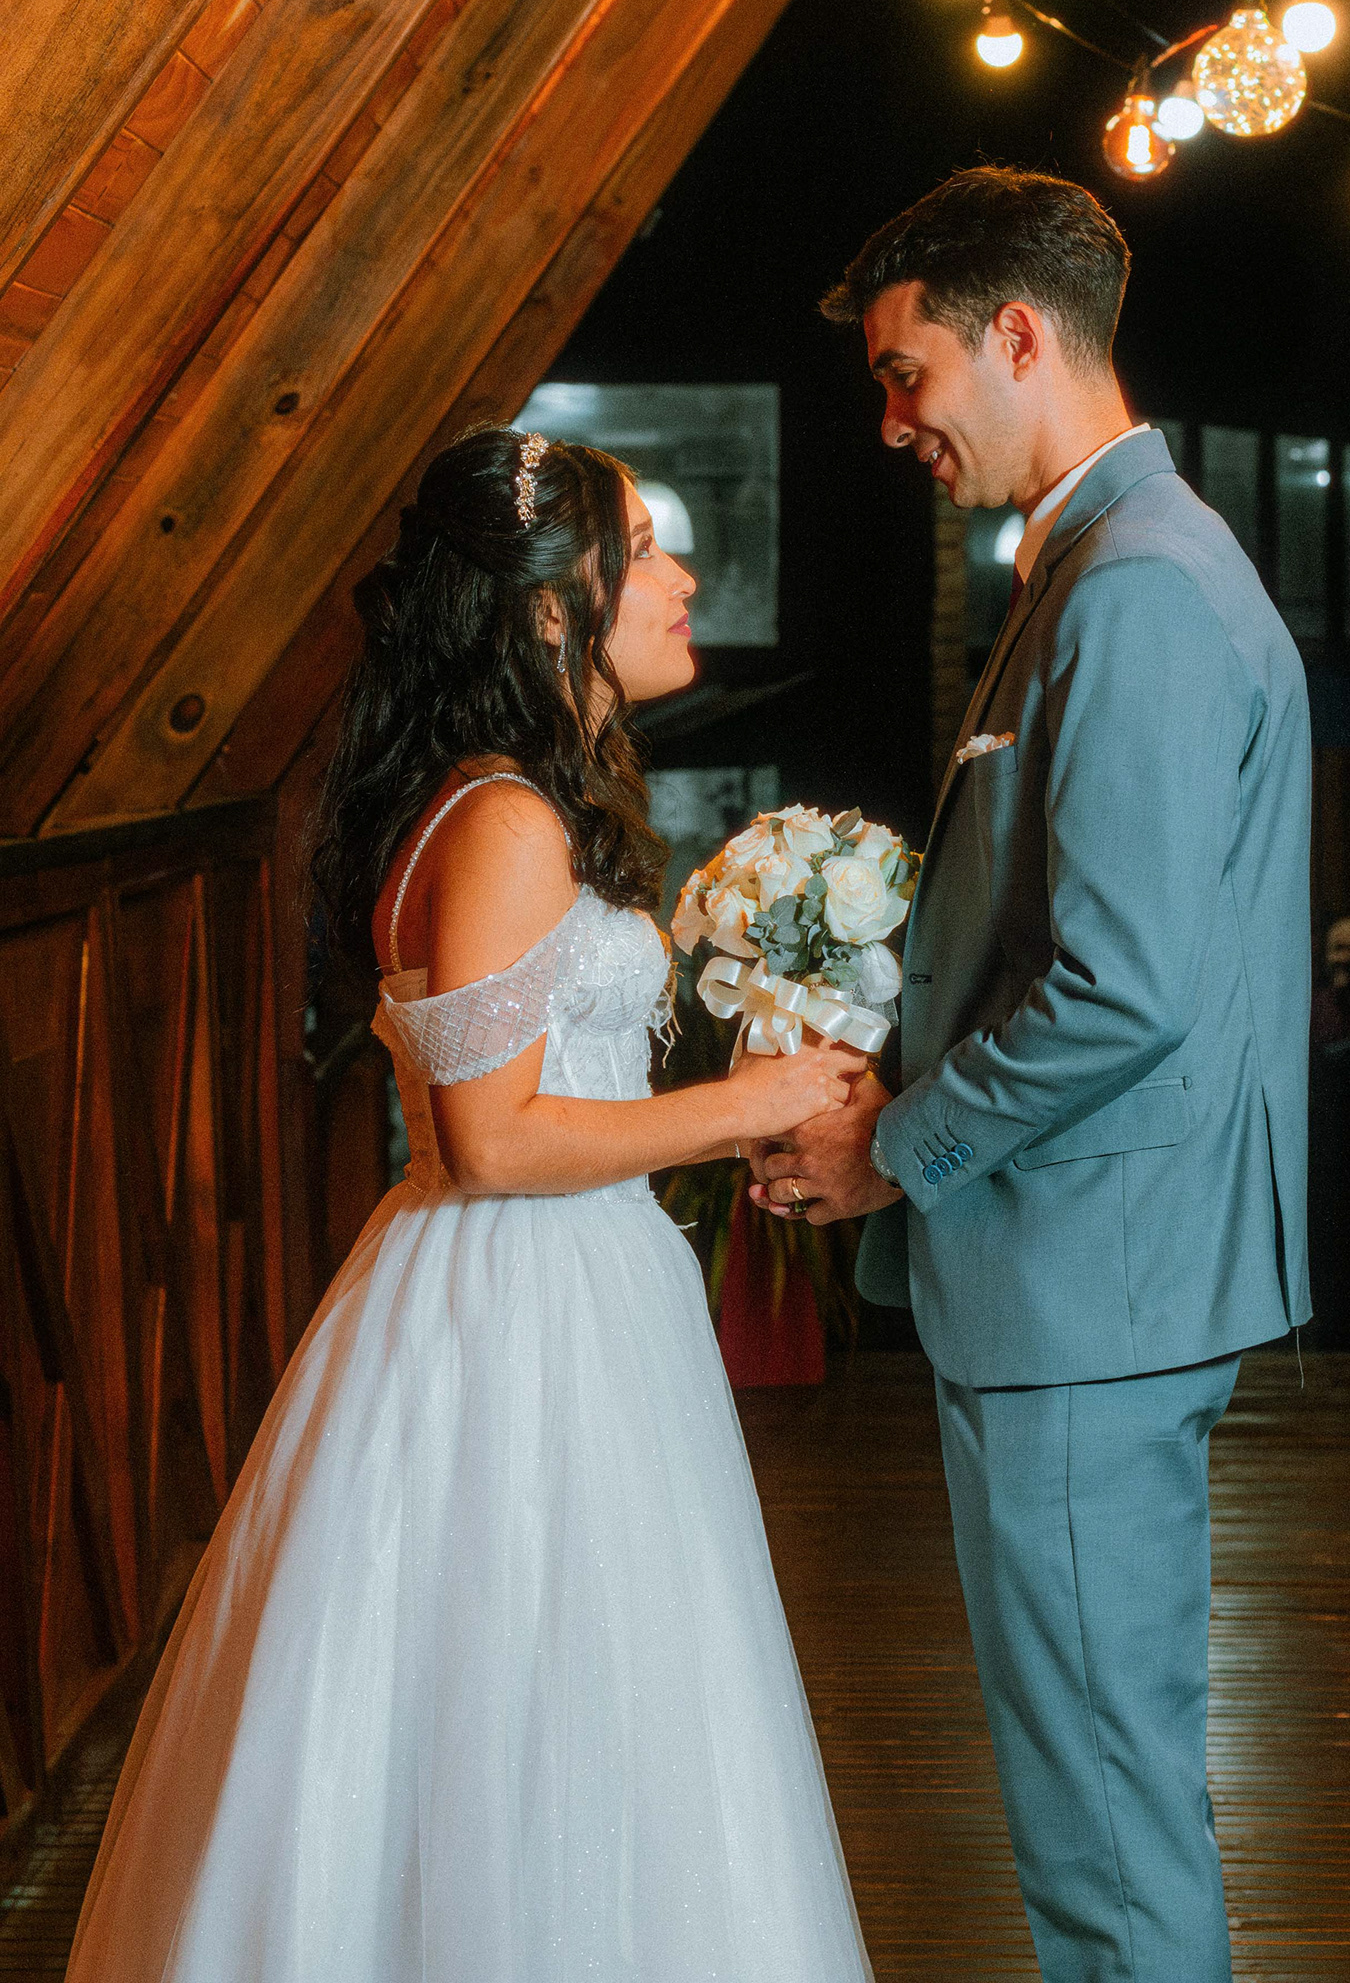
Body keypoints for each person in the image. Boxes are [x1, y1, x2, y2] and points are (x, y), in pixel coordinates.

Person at [65, 425, 874, 1983]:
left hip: (545, 1280)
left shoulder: (506, 800)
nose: (685, 580)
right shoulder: (504, 816)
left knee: (561, 1683)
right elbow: (492, 1140)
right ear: (556, 605)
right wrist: (752, 1105)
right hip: (524, 1301)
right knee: (534, 1680)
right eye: (650, 549)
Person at [752, 167, 1312, 1983]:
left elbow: (1122, 990)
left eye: (904, 374)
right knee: (1099, 1799)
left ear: (1016, 335)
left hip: (1090, 1281)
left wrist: (894, 1147)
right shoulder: (1100, 563)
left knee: (1103, 1829)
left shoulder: (1136, 589)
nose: (892, 423)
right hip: (1089, 1274)